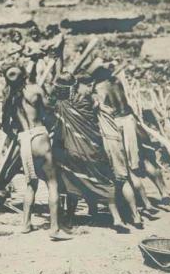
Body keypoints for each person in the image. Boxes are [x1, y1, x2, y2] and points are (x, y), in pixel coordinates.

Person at [50, 72, 142, 233]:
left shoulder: (59, 104)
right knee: (106, 182)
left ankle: (70, 218)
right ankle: (117, 219)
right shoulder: (87, 101)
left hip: (72, 151)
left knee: (73, 183)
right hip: (93, 150)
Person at [0, 63, 71, 239]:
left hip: (23, 140)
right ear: (24, 74)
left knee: (31, 184)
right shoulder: (35, 89)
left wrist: (16, 134)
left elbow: (5, 126)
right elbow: (50, 109)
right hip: (39, 136)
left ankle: (25, 224)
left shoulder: (8, 97)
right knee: (52, 183)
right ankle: (54, 228)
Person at [90, 63, 156, 212]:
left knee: (123, 169)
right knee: (132, 164)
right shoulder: (116, 82)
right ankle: (145, 202)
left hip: (116, 124)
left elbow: (98, 108)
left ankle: (130, 203)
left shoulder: (99, 89)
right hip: (129, 118)